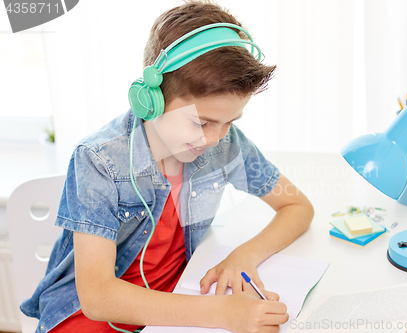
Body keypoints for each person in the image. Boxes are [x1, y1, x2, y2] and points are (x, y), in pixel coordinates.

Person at [21, 1, 314, 332]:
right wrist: (222, 312)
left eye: (229, 121)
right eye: (201, 122)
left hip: (174, 304)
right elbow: (97, 297)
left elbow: (296, 205)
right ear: (151, 99)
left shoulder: (225, 143)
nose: (216, 138)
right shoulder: (99, 160)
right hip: (89, 317)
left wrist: (243, 257)